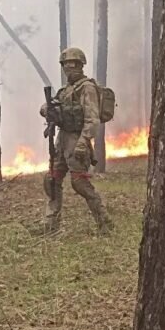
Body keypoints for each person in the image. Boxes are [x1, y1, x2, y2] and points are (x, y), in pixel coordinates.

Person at [39, 47, 113, 234]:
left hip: (76, 138)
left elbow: (92, 118)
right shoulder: (65, 91)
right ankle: (50, 224)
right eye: (66, 65)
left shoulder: (86, 88)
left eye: (72, 65)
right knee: (52, 180)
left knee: (79, 182)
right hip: (62, 139)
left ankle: (104, 221)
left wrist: (83, 141)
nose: (68, 69)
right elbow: (50, 106)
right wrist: (47, 109)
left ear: (80, 66)